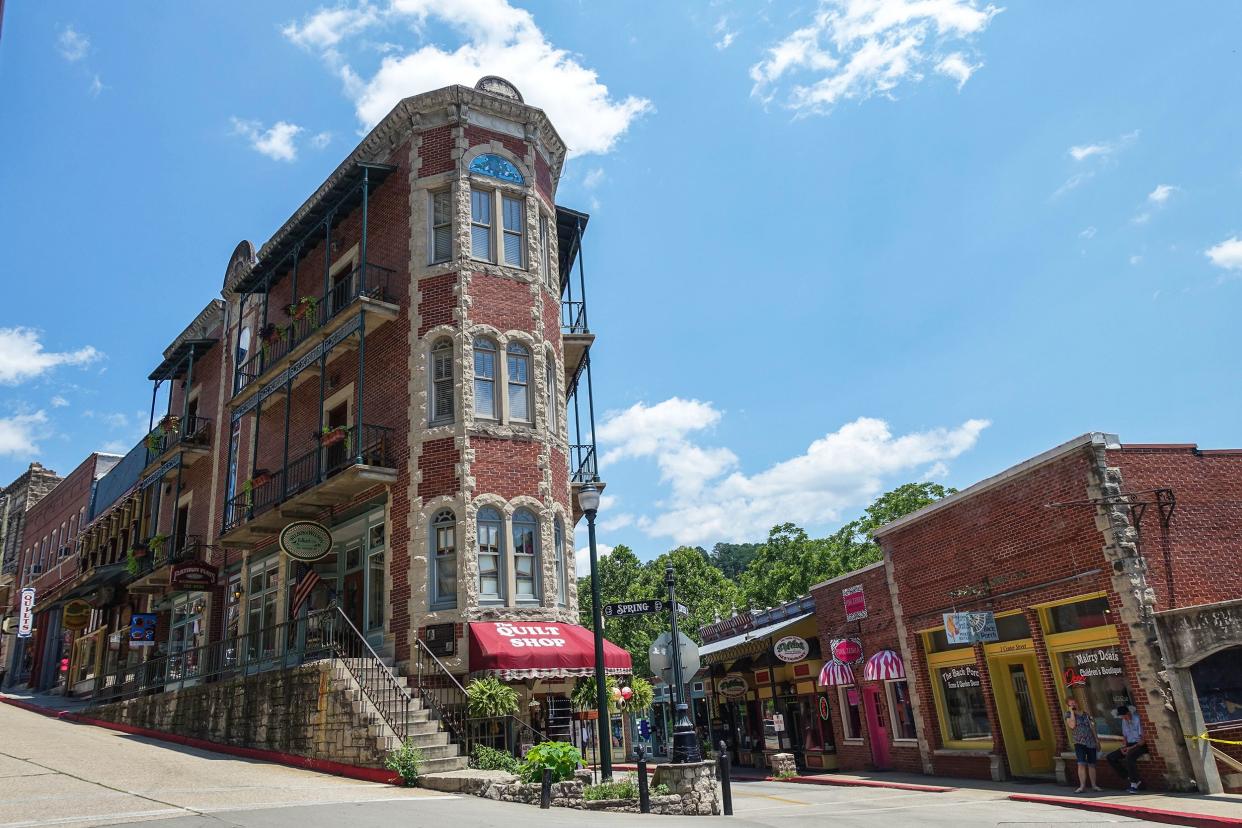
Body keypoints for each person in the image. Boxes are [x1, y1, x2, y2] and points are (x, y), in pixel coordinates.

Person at [1106, 704, 1148, 791]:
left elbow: (1143, 740)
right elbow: (1125, 736)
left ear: (1129, 713)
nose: (1124, 719)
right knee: (1111, 757)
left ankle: (1134, 784)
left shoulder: (1137, 720)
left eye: (1125, 716)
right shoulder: (1124, 721)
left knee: (1129, 756)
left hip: (1139, 745)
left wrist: (1130, 748)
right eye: (1122, 717)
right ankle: (1129, 777)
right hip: (1129, 744)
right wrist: (1124, 746)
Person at [1065, 695, 1102, 793]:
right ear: (1068, 705)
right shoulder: (1068, 715)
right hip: (1079, 742)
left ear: (1077, 703)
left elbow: (1092, 727)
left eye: (1074, 703)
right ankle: (1082, 786)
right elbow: (1072, 725)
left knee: (1092, 764)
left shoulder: (1085, 714)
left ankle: (1094, 785)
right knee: (1081, 764)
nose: (1074, 705)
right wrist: (1072, 712)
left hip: (1090, 741)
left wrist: (1097, 740)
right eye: (1071, 704)